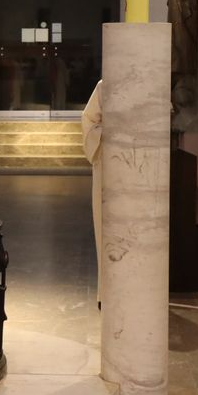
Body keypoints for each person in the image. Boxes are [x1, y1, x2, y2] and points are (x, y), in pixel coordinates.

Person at [81, 80, 103, 309]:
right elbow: (89, 120)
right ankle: (106, 292)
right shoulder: (105, 87)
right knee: (105, 228)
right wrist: (110, 134)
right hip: (109, 165)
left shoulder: (148, 86)